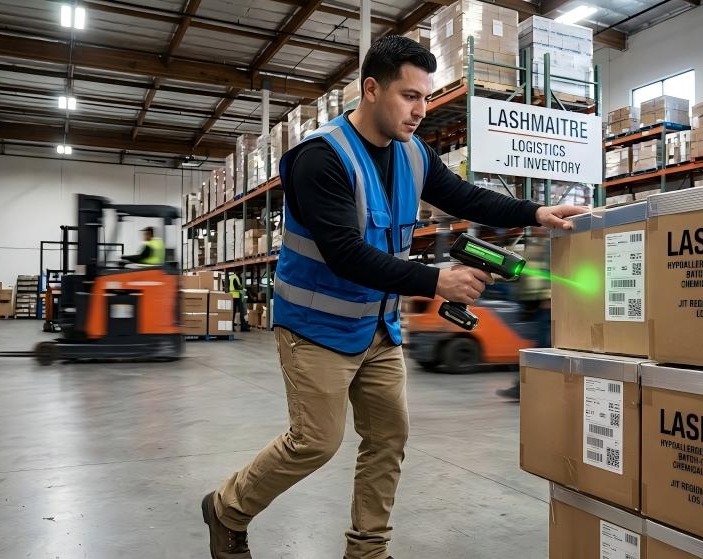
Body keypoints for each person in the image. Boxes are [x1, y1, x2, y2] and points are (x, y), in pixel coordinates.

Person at [201, 35, 585, 559]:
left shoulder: (412, 153)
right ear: (371, 89)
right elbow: (345, 253)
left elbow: (464, 196)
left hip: (379, 328)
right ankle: (227, 508)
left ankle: (368, 551)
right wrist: (436, 282)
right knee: (316, 441)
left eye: (426, 97)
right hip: (316, 329)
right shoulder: (321, 159)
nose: (421, 110)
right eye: (409, 96)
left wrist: (534, 213)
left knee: (388, 440)